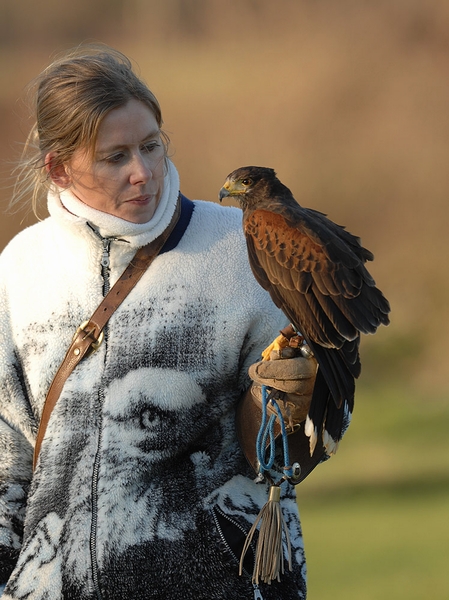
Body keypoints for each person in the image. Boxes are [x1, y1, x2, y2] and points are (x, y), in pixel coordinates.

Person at [0, 44, 330, 600]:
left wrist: (294, 411)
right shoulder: (21, 267)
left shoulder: (242, 245)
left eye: (152, 146)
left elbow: (296, 447)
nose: (142, 172)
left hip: (228, 583)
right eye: (115, 156)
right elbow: (7, 457)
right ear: (58, 166)